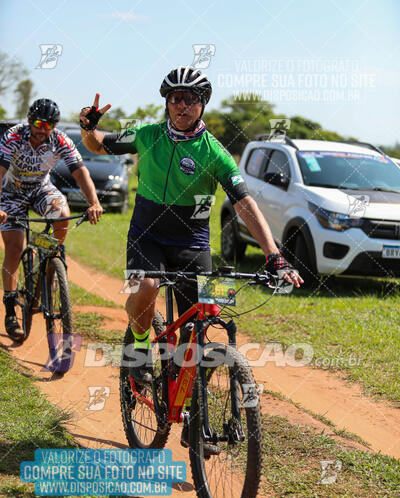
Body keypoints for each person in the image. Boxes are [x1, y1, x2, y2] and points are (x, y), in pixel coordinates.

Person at [79, 66, 303, 384]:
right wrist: (88, 127)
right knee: (146, 287)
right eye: (175, 98)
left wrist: (273, 254)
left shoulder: (215, 153)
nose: (182, 105)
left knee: (206, 315)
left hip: (193, 241)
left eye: (190, 99)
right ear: (167, 102)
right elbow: (99, 144)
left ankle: (193, 405)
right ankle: (140, 348)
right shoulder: (146, 135)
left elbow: (244, 202)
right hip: (147, 234)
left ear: (203, 104)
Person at [0, 98, 103, 341]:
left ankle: (50, 260)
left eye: (49, 125)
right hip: (10, 193)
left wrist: (94, 202)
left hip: (40, 190)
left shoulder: (60, 140)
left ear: (55, 126)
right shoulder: (13, 137)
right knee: (15, 248)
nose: (42, 129)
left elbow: (80, 171)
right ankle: (10, 308)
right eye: (38, 123)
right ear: (28, 121)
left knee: (63, 215)